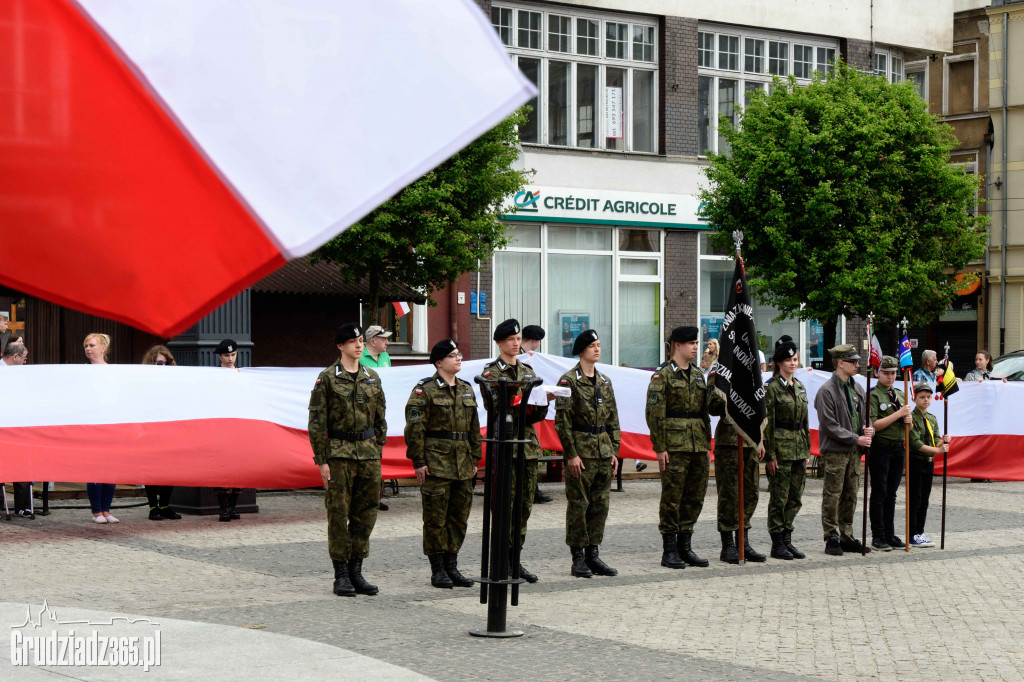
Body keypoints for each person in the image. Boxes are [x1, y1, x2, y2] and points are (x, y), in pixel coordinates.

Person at [308, 322, 387, 597]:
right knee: (339, 515)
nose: (358, 344)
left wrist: (377, 448)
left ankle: (357, 571)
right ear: (340, 346)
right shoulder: (327, 378)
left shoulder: (373, 378)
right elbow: (317, 421)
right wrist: (322, 460)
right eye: (352, 341)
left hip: (367, 454)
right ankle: (340, 575)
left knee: (366, 514)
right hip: (339, 454)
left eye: (360, 340)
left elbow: (380, 418)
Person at [405, 339, 481, 588]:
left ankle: (452, 566)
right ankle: (437, 570)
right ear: (439, 362)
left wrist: (474, 459)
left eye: (459, 354)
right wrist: (419, 461)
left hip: (462, 464)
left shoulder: (467, 389)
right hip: (436, 463)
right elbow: (415, 429)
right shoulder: (424, 391)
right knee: (436, 518)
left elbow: (473, 430)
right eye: (453, 355)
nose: (459, 358)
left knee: (459, 517)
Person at [646, 325, 723, 570]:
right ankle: (669, 550)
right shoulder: (663, 375)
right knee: (672, 498)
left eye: (696, 343)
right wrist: (660, 447)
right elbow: (654, 414)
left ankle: (685, 546)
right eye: (691, 343)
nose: (695, 346)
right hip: (675, 446)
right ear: (677, 345)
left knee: (694, 497)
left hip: (698, 445)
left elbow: (707, 410)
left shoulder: (699, 374)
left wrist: (717, 375)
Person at [480, 319, 549, 583]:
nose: (516, 343)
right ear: (499, 342)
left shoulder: (528, 372)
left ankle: (515, 559)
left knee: (523, 508)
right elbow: (496, 406)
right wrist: (521, 397)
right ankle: (500, 560)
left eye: (518, 338)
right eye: (510, 339)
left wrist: (543, 400)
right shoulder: (491, 374)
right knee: (504, 507)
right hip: (505, 446)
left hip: (527, 447)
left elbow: (535, 414)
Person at [554, 329, 620, 578]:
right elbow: (562, 422)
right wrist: (571, 454)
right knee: (579, 506)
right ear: (581, 350)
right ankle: (578, 558)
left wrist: (614, 450)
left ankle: (594, 554)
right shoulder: (568, 381)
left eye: (599, 344)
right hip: (581, 453)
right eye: (592, 345)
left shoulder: (604, 381)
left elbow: (613, 418)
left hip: (603, 452)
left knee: (600, 506)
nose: (597, 349)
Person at [814, 344, 874, 556]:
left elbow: (865, 418)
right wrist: (855, 438)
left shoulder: (857, 388)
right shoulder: (826, 391)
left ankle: (846, 535)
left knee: (851, 494)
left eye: (857, 361)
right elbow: (829, 425)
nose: (857, 365)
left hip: (854, 452)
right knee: (833, 494)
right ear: (840, 363)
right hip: (836, 451)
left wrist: (869, 430)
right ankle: (831, 536)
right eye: (853, 361)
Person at [764, 339, 809, 560]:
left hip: (799, 449)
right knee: (779, 498)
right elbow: (768, 425)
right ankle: (777, 542)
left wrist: (807, 450)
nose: (793, 363)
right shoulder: (771, 389)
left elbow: (805, 421)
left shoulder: (800, 387)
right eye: (789, 360)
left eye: (795, 359)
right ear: (779, 362)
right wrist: (770, 456)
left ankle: (787, 538)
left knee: (795, 497)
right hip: (780, 450)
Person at [712, 382, 767, 564]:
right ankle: (728, 545)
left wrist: (760, 439)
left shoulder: (750, 370)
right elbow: (711, 406)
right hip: (729, 440)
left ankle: (743, 541)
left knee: (751, 493)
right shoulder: (722, 371)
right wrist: (734, 394)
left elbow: (760, 406)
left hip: (750, 439)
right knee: (729, 494)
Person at [867, 356, 913, 551]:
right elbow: (874, 424)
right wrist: (899, 414)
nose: (890, 377)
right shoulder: (874, 395)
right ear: (878, 373)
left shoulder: (901, 395)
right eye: (886, 373)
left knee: (892, 494)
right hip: (880, 447)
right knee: (880, 492)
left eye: (893, 373)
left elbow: (908, 427)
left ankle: (889, 532)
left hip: (898, 447)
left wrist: (908, 420)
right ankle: (878, 535)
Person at [140, 345, 181, 521]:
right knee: (152, 468)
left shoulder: (174, 382)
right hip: (150, 429)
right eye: (158, 363)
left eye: (166, 363)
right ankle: (153, 507)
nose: (162, 367)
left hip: (170, 428)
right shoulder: (143, 382)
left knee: (170, 468)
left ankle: (164, 505)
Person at [907, 382, 949, 548]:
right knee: (915, 498)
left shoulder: (931, 418)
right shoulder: (912, 418)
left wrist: (943, 441)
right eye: (922, 397)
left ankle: (920, 531)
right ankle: (912, 534)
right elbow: (915, 443)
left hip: (928, 463)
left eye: (928, 397)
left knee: (924, 499)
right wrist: (937, 451)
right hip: (916, 461)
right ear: (915, 398)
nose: (926, 400)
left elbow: (936, 439)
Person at [83, 333, 119, 524]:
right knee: (95, 468)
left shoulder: (112, 371)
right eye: (86, 346)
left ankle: (106, 509)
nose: (88, 349)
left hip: (110, 424)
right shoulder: (83, 372)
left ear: (103, 348)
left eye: (92, 345)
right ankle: (96, 510)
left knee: (111, 468)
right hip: (92, 425)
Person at [520, 325, 555, 502]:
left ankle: (533, 490)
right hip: (519, 414)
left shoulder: (529, 358)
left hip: (529, 412)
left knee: (530, 457)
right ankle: (530, 491)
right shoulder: (520, 357)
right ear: (534, 340)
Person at [2, 341, 33, 519]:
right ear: (15, 357)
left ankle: (23, 506)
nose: (25, 362)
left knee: (20, 463)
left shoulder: (21, 374)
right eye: (24, 358)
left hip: (17, 425)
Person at [214, 339, 243, 520]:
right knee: (223, 468)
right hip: (222, 425)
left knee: (239, 467)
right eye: (227, 355)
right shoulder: (216, 375)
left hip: (240, 426)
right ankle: (223, 508)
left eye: (233, 354)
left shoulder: (243, 374)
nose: (230, 358)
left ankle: (233, 507)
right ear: (220, 356)